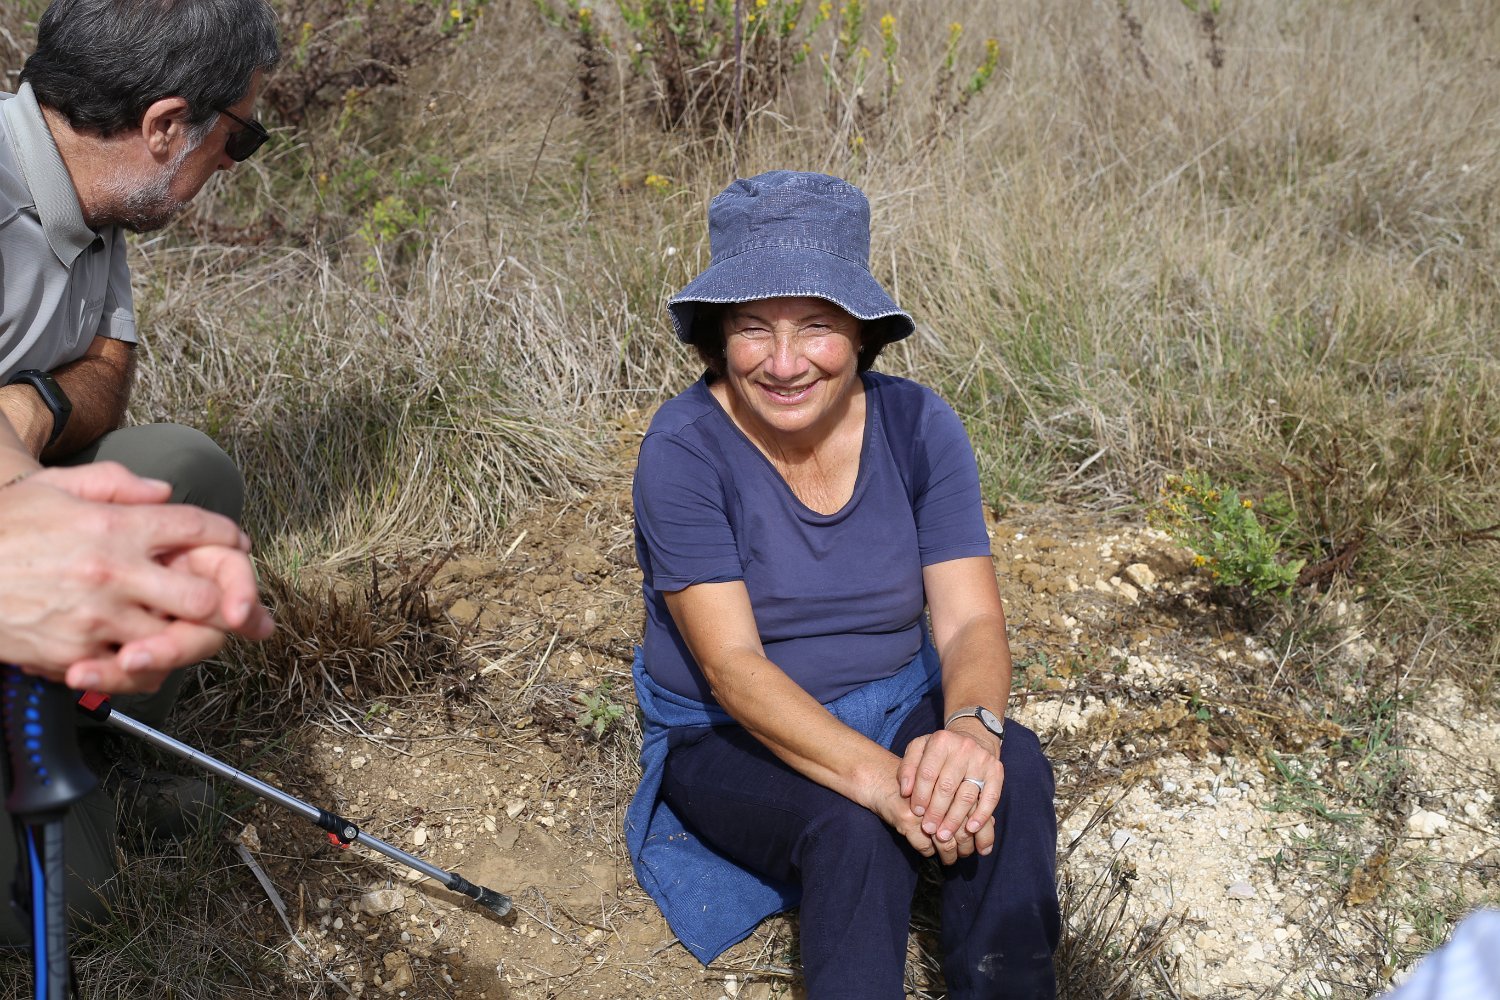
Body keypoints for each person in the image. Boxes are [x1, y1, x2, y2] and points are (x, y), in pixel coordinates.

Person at [625, 171, 1061, 999]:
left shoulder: (919, 424)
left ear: (861, 332)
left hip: (898, 697)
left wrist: (968, 734)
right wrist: (884, 782)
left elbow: (969, 625)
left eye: (817, 326)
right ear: (719, 337)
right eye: (753, 328)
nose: (785, 363)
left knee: (1013, 771)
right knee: (852, 828)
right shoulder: (683, 449)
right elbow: (732, 667)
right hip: (729, 731)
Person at [0, 0, 281, 946]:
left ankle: (98, 736)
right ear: (166, 125)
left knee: (180, 470)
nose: (232, 163)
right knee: (70, 905)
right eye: (239, 137)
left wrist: (30, 407)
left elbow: (108, 373)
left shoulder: (97, 189)